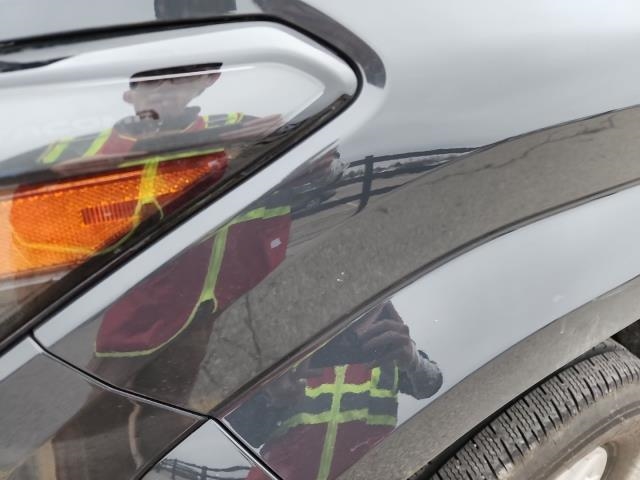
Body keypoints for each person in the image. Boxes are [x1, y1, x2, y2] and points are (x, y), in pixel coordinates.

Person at [230, 302, 443, 480]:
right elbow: (244, 431)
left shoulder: (388, 338)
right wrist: (271, 401)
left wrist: (415, 362)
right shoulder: (290, 340)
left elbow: (431, 386)